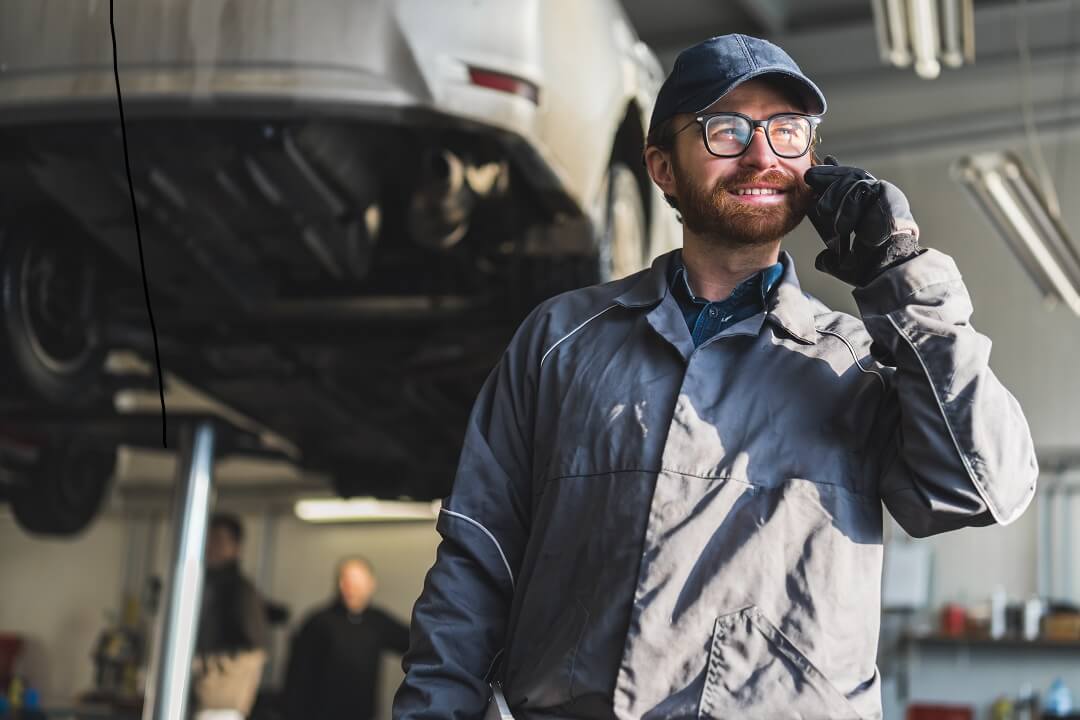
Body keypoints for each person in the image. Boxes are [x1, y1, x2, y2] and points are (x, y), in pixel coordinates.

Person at [392, 34, 1038, 720]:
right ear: (662, 166)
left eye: (787, 131)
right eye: (724, 130)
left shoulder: (860, 362)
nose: (761, 154)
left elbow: (984, 486)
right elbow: (474, 566)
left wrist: (902, 274)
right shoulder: (560, 344)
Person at [283, 557, 410, 720]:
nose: (350, 588)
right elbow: (297, 678)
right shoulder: (318, 622)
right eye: (346, 581)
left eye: (358, 583)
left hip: (362, 714)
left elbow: (415, 643)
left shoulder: (378, 622)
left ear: (371, 585)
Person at [193, 513, 267, 720]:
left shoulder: (241, 591)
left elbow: (251, 649)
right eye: (208, 540)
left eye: (218, 540)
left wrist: (211, 665)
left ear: (236, 547)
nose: (211, 547)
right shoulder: (200, 585)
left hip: (221, 697)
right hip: (201, 695)